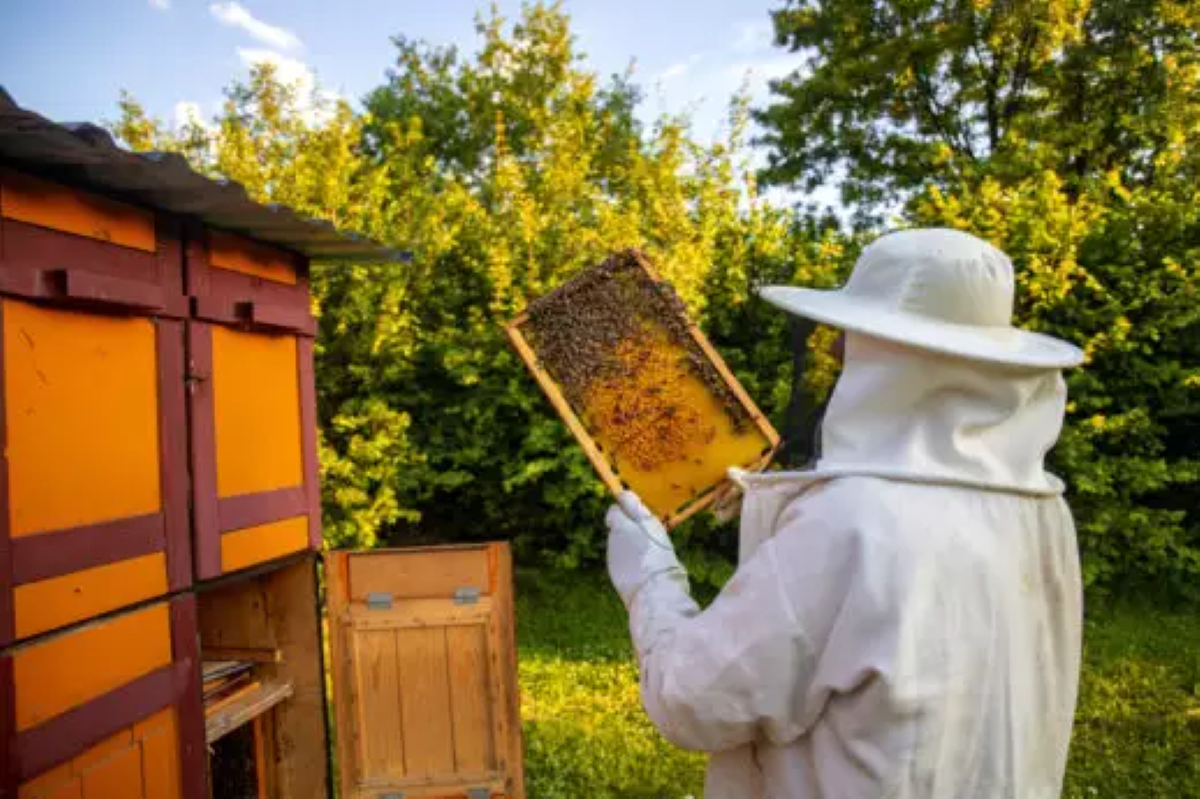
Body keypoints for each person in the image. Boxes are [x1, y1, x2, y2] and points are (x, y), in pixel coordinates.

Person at [606, 228, 1085, 798]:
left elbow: (691, 699)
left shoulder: (849, 524)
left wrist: (650, 580)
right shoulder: (1043, 512)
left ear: (892, 355)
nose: (834, 350)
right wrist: (770, 504)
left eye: (852, 335)